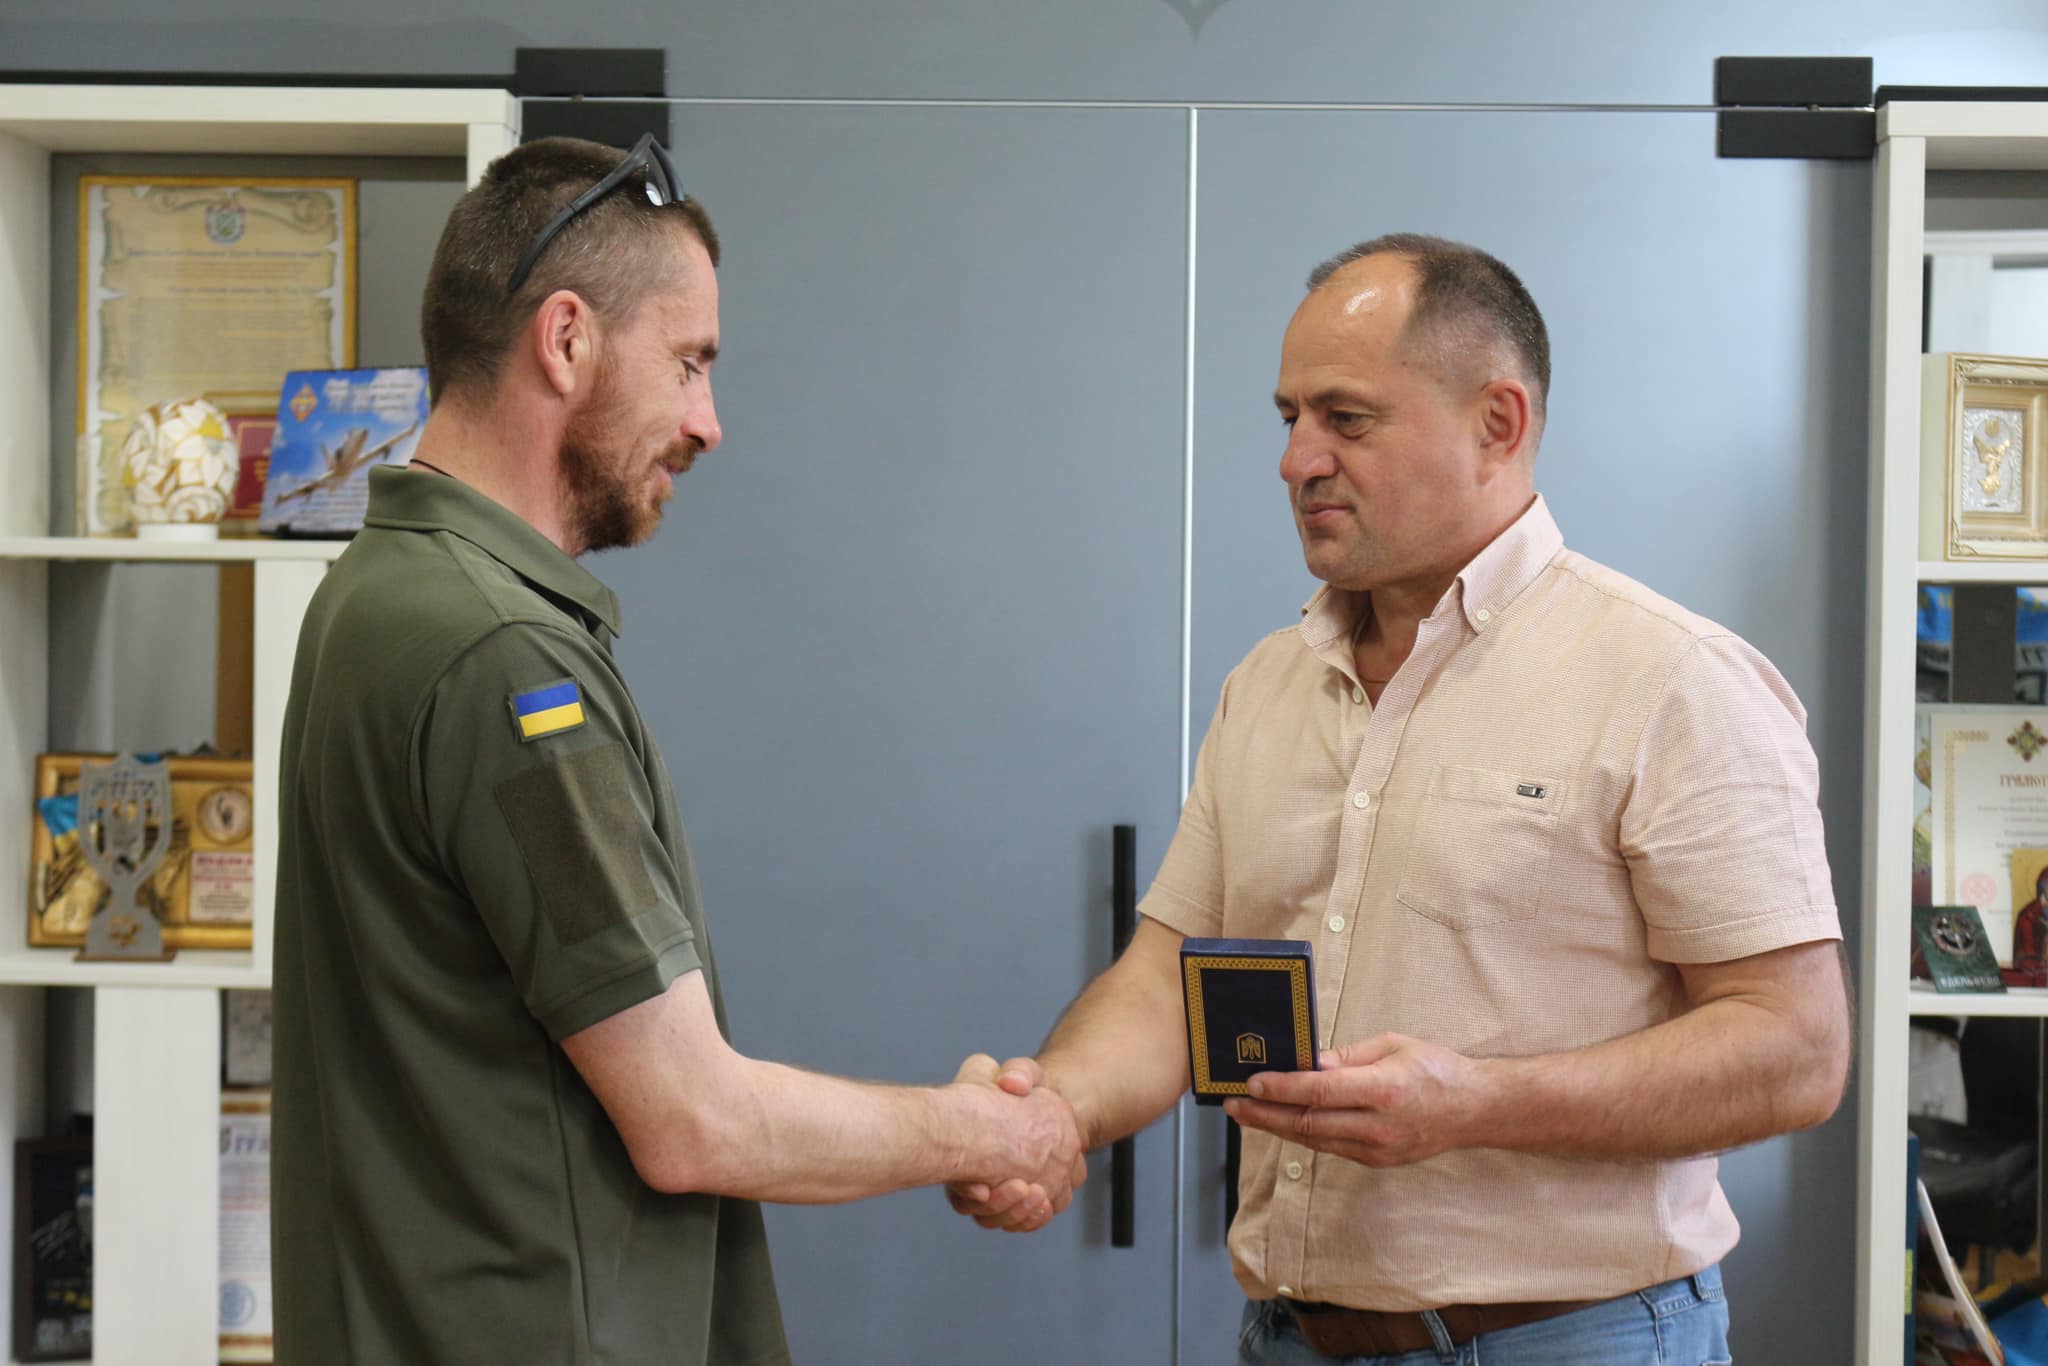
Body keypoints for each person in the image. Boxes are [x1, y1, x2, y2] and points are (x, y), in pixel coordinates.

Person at [948, 234, 1852, 1364]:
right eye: (1287, 418)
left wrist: (1474, 1102)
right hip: (1290, 1337)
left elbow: (1794, 1050)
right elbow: (1163, 976)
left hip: (1576, 1341)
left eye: (1346, 419)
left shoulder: (1672, 680)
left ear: (1497, 423)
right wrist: (1055, 1111)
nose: (1294, 459)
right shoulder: (1266, 684)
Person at [270, 135, 1082, 1366]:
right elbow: (691, 1117)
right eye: (690, 361)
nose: (708, 422)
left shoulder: (380, 593)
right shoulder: (500, 655)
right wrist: (984, 1133)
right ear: (566, 340)